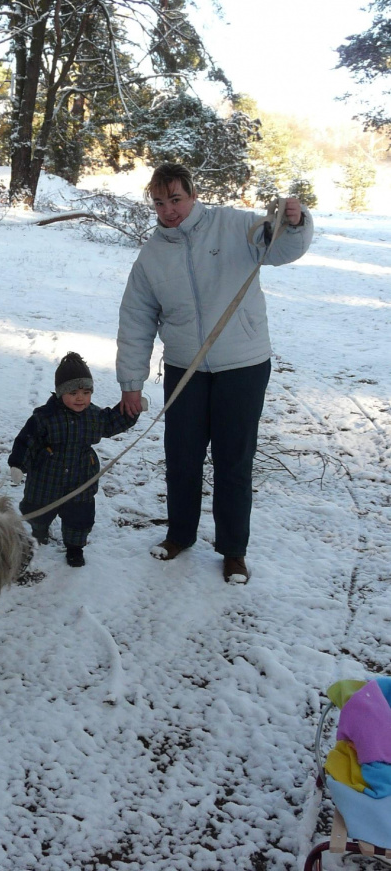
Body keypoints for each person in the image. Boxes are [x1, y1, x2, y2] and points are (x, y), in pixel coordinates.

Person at [116, 162, 314, 584]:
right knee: (182, 457)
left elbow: (278, 247)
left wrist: (293, 224)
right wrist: (130, 383)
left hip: (243, 365)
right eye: (159, 202)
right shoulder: (152, 254)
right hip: (185, 368)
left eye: (176, 199)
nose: (169, 210)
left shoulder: (232, 225)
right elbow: (136, 320)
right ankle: (179, 534)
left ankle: (233, 550)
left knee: (233, 461)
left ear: (192, 195)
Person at [8, 352, 144, 567]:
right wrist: (18, 464)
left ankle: (74, 547)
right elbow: (27, 440)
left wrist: (130, 411)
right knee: (37, 509)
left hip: (81, 478)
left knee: (79, 516)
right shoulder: (44, 417)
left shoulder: (93, 415)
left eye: (86, 392)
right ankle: (39, 531)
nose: (80, 398)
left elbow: (111, 422)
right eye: (73, 392)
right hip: (45, 478)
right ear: (60, 392)